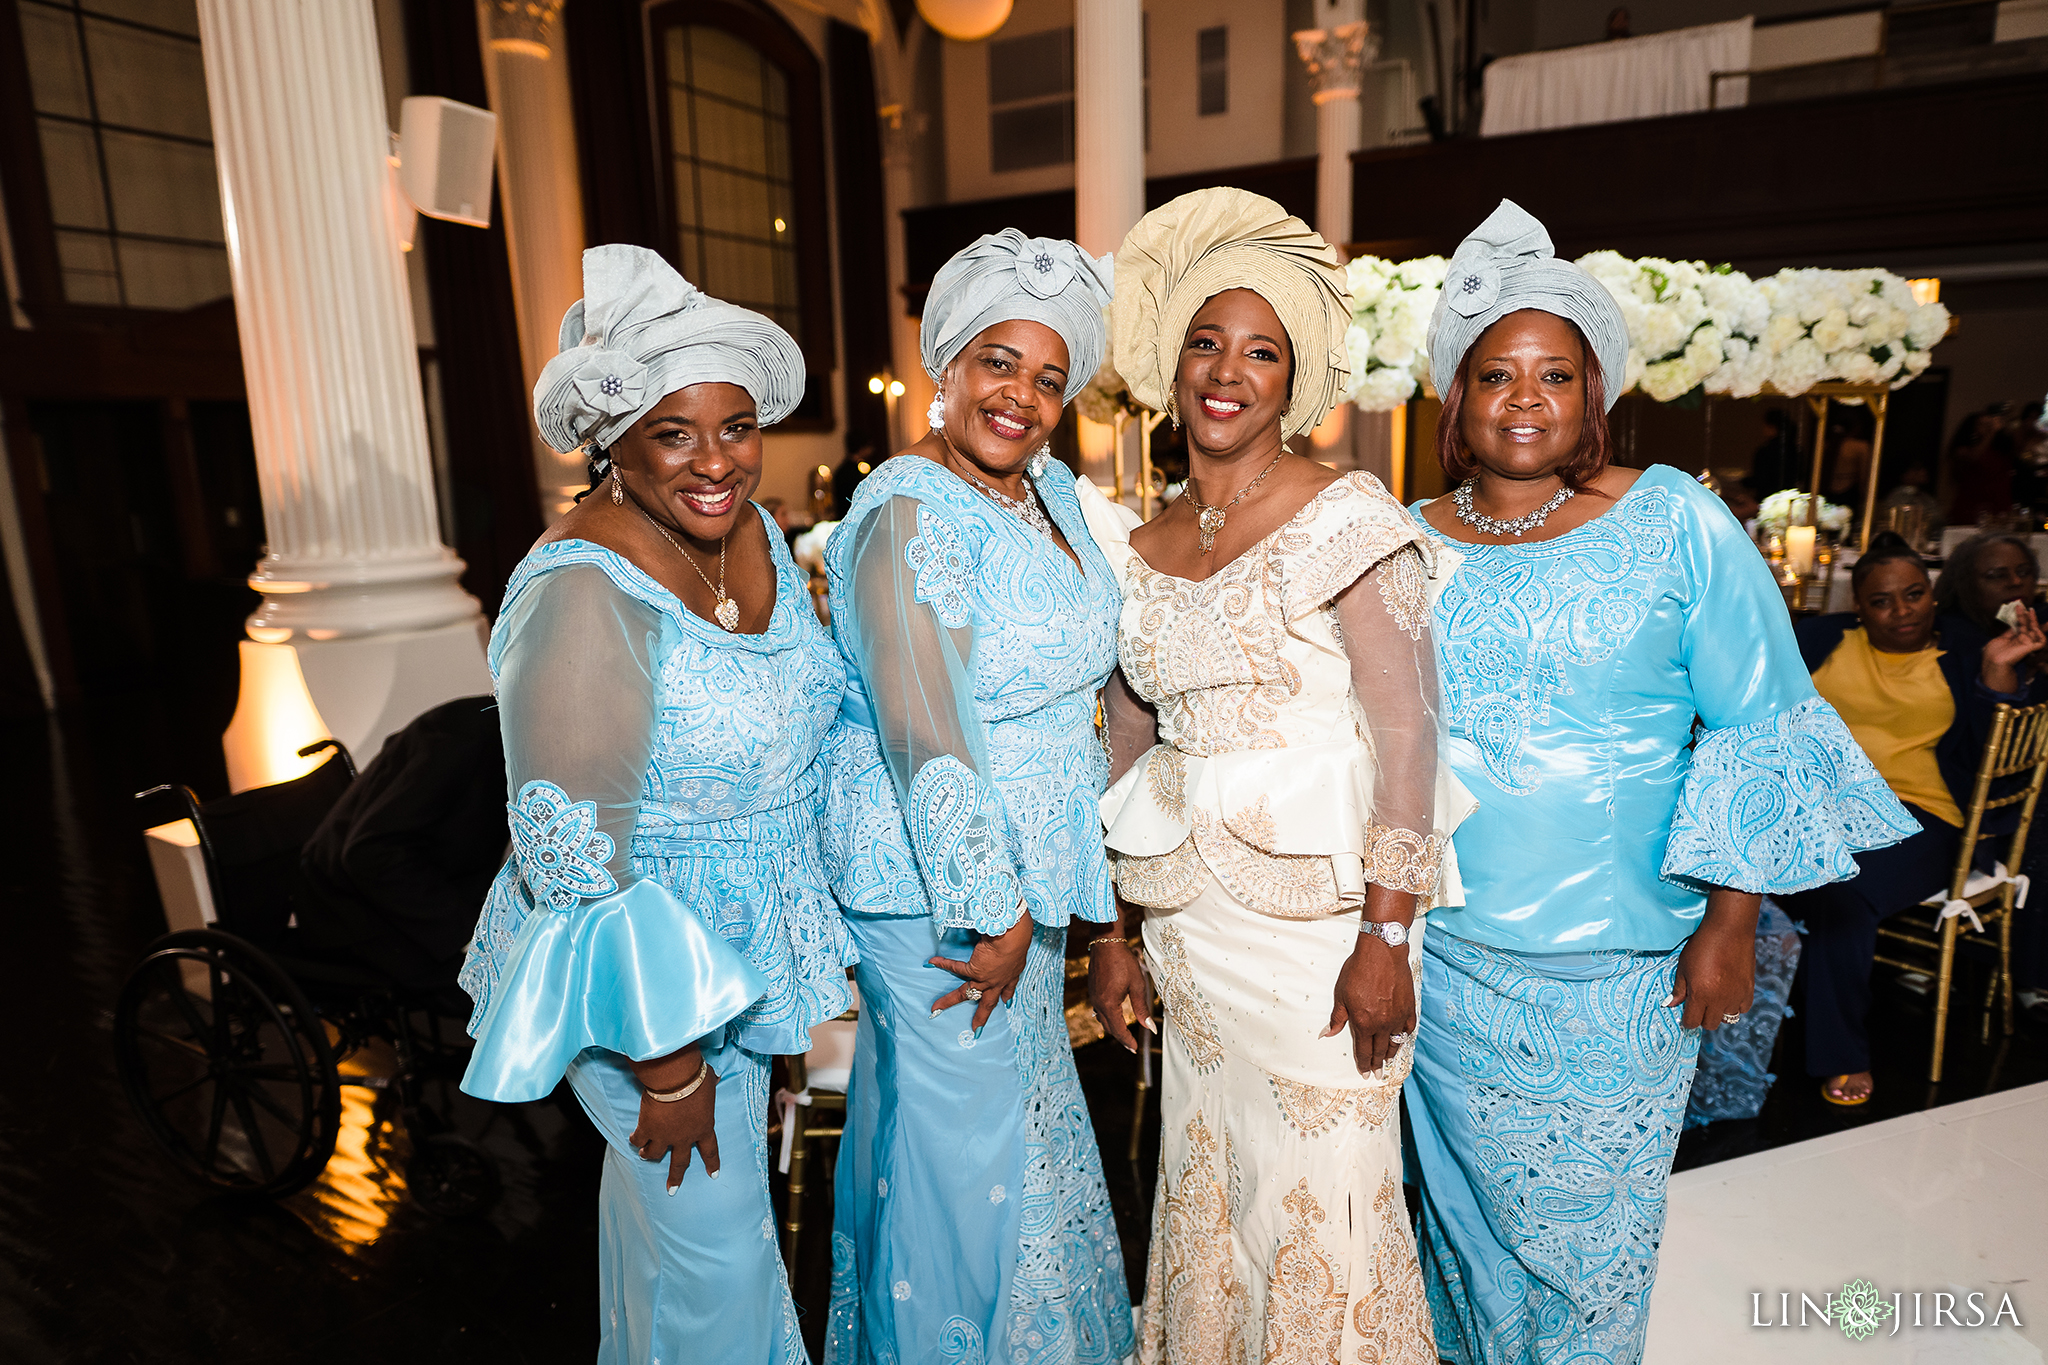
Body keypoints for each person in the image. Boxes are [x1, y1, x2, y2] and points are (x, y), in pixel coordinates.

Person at [1401, 200, 1915, 1365]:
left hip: (1619, 962)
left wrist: (1730, 921)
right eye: (1494, 375)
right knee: (1464, 1235)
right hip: (1442, 957)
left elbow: (1756, 727)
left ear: (1595, 396)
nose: (1523, 399)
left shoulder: (1675, 519)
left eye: (1553, 376)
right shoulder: (1403, 535)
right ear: (1457, 399)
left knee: (1589, 1243)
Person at [1080, 187, 1463, 1364]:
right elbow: (1127, 737)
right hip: (1188, 930)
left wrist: (1386, 940)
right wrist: (1109, 937)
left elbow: (1409, 741)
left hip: (1323, 932)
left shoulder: (1348, 515)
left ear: (1291, 381)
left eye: (1259, 350)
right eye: (1206, 341)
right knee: (1210, 1177)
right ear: (1171, 362)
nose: (1226, 371)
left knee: (1325, 1190)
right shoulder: (1139, 545)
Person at [457, 246, 854, 1365]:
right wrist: (667, 1066)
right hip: (643, 992)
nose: (716, 461)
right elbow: (573, 858)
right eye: (676, 433)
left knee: (678, 1252)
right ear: (613, 445)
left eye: (736, 427)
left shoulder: (753, 533)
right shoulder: (583, 589)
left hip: (738, 948)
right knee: (720, 1260)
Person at [820, 229, 1133, 1365]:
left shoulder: (1044, 491)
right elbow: (923, 732)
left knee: (1019, 1144)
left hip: (1026, 883)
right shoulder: (905, 510)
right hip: (939, 899)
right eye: (998, 363)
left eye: (1049, 378)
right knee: (969, 1157)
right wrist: (991, 915)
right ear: (941, 365)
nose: (1024, 396)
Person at [1784, 534, 2045, 1105]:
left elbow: (1992, 753)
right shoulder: (1822, 639)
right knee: (1724, 867)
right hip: (1820, 808)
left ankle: (1842, 1052)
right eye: (1882, 600)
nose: (1901, 610)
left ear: (1932, 594)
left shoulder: (1969, 650)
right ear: (1859, 607)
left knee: (1841, 896)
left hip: (1925, 817)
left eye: (1914, 594)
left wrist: (1999, 673)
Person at [296, 695, 506, 994]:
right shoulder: (462, 737)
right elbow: (372, 854)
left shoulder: (498, 727)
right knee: (510, 991)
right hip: (355, 912)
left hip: (427, 889)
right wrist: (469, 937)